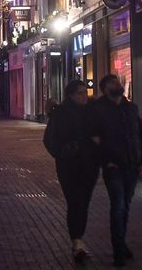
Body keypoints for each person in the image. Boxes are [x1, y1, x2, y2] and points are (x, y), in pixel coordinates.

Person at [88, 75, 142, 267]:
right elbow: (95, 140)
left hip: (132, 165)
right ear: (105, 88)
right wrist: (106, 162)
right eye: (112, 83)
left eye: (117, 82)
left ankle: (121, 243)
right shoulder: (98, 110)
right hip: (113, 167)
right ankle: (118, 251)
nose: (117, 85)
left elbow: (140, 136)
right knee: (118, 205)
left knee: (126, 206)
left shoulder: (131, 108)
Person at [43, 80, 100, 261]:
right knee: (75, 202)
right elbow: (50, 140)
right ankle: (77, 242)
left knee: (84, 202)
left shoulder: (91, 111)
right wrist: (64, 151)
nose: (84, 96)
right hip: (69, 166)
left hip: (89, 165)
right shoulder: (60, 113)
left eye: (85, 92)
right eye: (80, 93)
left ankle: (78, 239)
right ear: (71, 95)